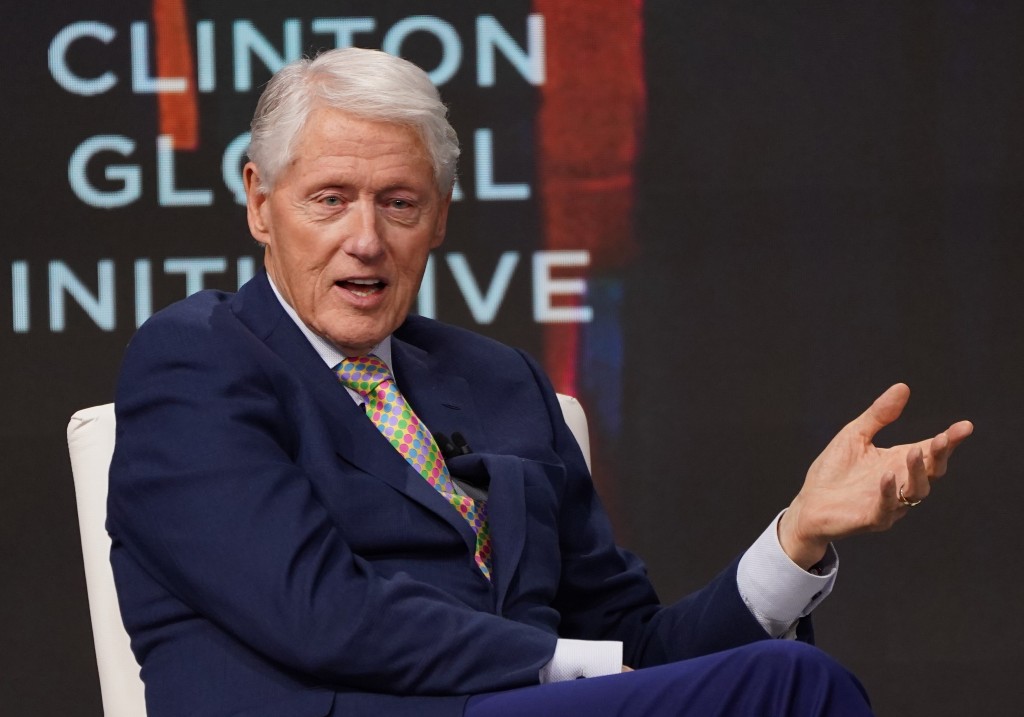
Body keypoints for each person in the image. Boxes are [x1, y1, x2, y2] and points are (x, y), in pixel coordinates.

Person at [107, 48, 973, 717]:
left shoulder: (498, 382)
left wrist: (795, 540)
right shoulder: (197, 359)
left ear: (439, 216)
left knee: (780, 678)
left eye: (398, 203)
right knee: (790, 690)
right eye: (330, 199)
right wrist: (567, 662)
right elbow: (317, 611)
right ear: (261, 202)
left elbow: (639, 643)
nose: (365, 239)